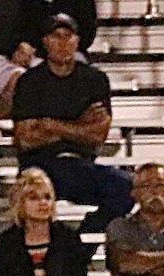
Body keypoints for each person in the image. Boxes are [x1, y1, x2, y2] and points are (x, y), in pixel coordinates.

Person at [11, 13, 132, 239]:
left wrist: (50, 126)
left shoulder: (95, 80)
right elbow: (25, 139)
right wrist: (79, 126)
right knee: (30, 189)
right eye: (56, 36)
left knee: (127, 186)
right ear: (46, 41)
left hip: (80, 165)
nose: (63, 42)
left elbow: (99, 135)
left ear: (77, 41)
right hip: (39, 165)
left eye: (68, 36)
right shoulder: (30, 81)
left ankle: (84, 241)